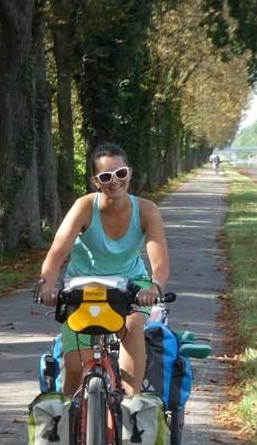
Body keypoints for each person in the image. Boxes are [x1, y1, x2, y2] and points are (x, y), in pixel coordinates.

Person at [36, 143, 170, 398]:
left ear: (129, 173)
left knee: (132, 326)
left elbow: (160, 263)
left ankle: (132, 404)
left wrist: (154, 288)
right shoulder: (84, 208)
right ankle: (72, 423)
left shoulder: (146, 210)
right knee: (75, 369)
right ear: (96, 181)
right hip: (83, 287)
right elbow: (56, 254)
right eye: (106, 177)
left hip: (131, 285)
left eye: (120, 174)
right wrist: (47, 287)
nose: (115, 181)